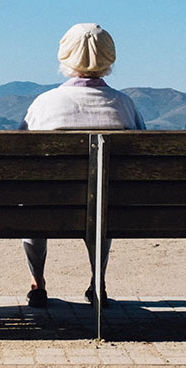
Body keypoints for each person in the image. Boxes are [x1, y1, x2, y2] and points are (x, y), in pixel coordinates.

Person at [20, 23, 146, 308]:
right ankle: (97, 281)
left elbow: (19, 158)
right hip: (110, 209)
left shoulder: (44, 104)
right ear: (109, 58)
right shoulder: (125, 105)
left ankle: (37, 283)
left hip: (49, 207)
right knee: (102, 202)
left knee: (32, 205)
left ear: (64, 57)